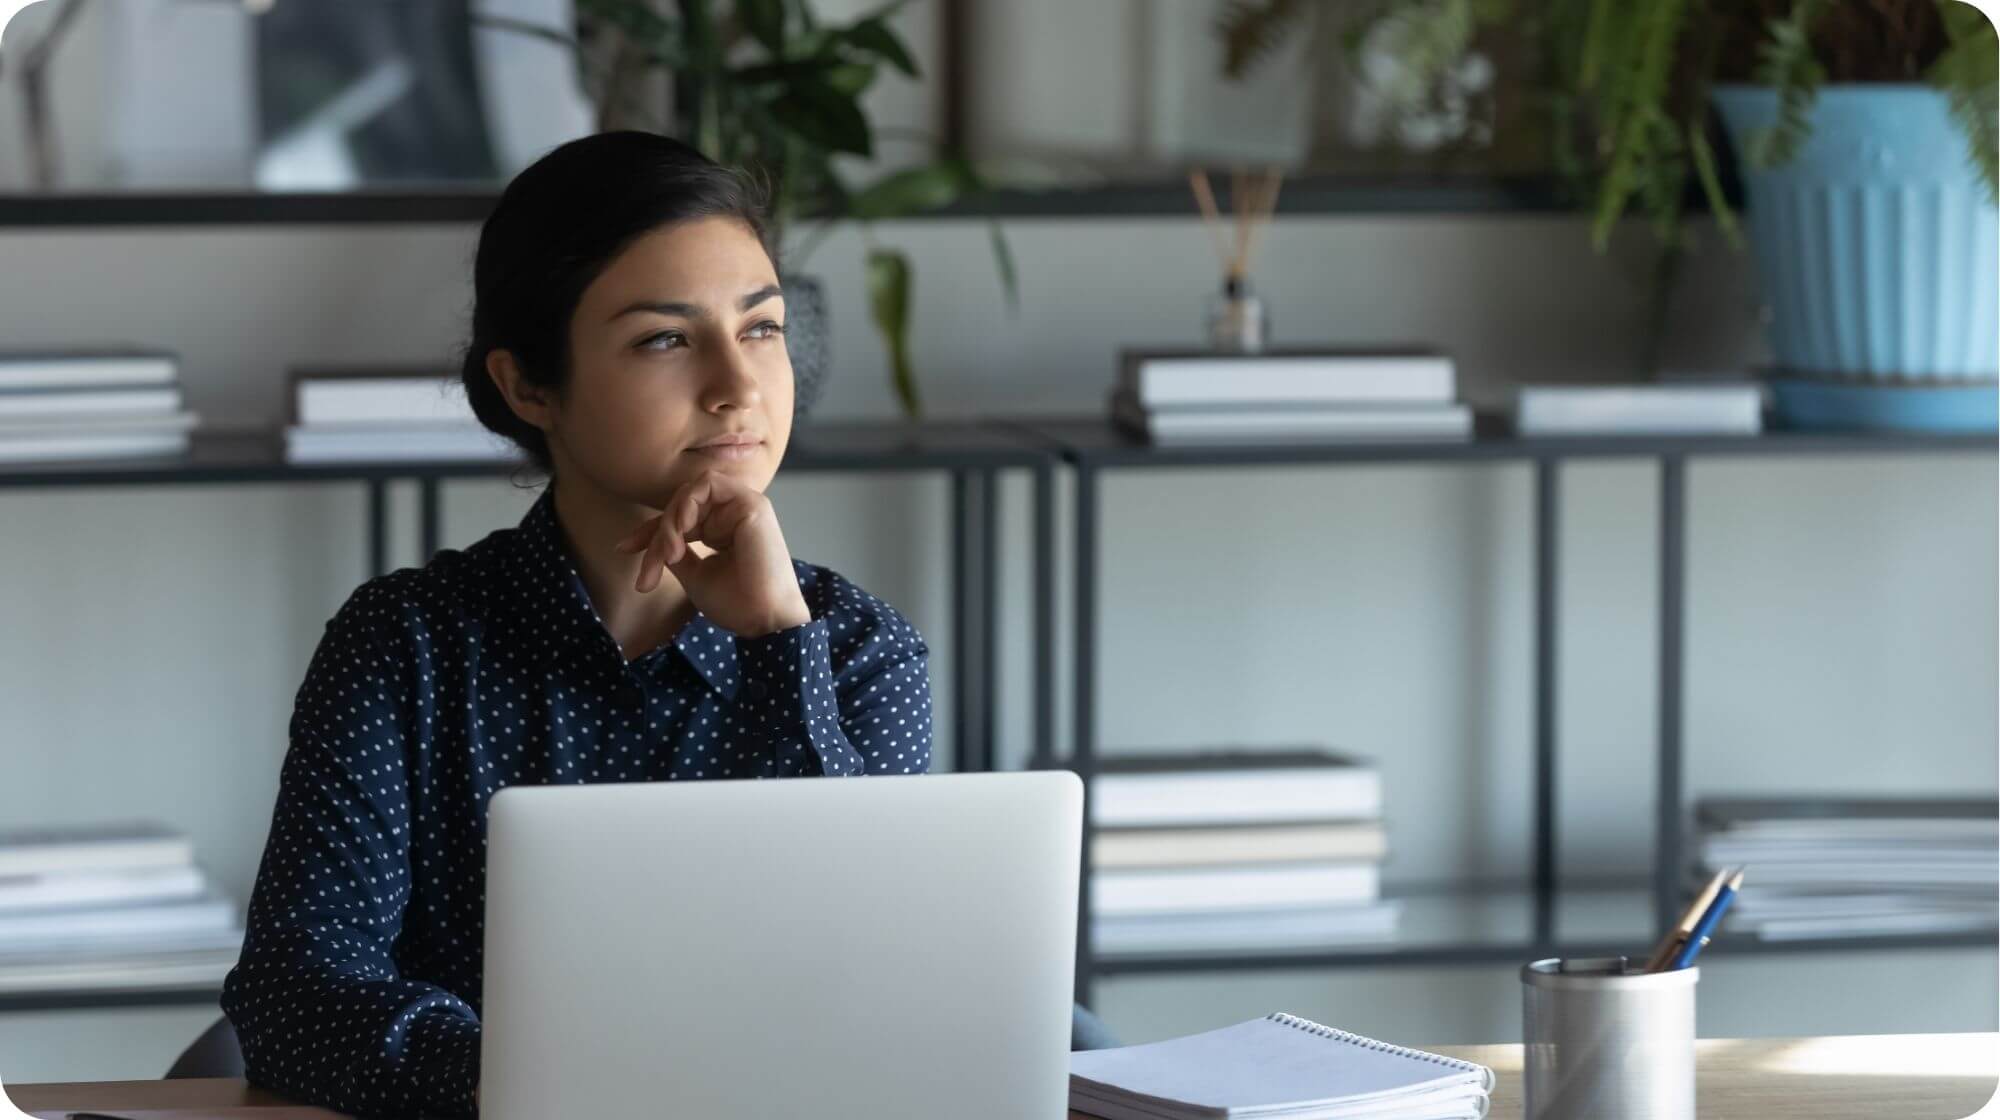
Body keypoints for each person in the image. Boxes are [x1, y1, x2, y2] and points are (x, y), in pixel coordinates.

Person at [217, 131, 1116, 1120]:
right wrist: (525, 1079)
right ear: (527, 386)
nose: (737, 384)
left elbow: (868, 976)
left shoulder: (857, 650)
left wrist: (778, 636)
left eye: (762, 328)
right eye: (664, 338)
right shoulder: (406, 647)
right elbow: (294, 990)